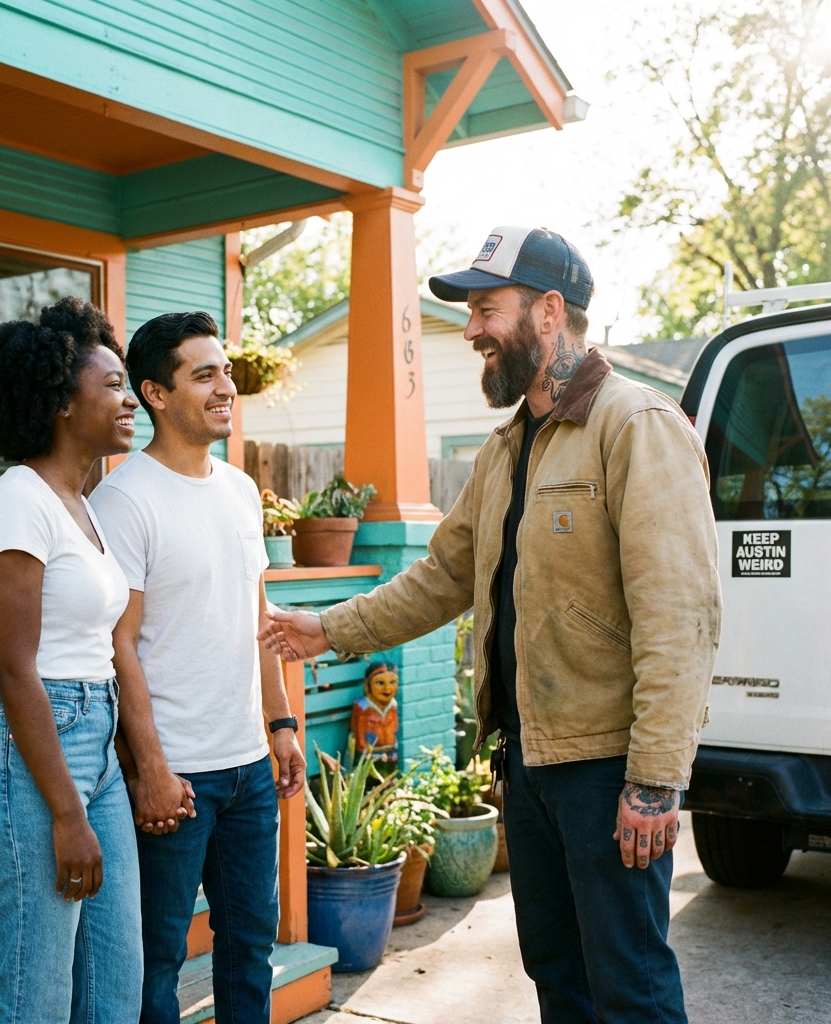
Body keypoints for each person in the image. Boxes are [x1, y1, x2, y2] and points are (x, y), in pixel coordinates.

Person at [258, 227, 722, 1024]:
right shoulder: (507, 447)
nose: (472, 329)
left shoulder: (635, 425)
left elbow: (679, 616)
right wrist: (326, 629)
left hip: (607, 766)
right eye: (470, 313)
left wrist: (653, 781)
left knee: (629, 983)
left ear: (549, 312)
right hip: (531, 760)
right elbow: (442, 576)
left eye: (485, 309)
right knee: (557, 973)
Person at [89, 311, 306, 1024]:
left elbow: (259, 618)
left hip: (248, 768)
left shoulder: (242, 490)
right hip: (175, 777)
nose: (227, 387)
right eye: (205, 374)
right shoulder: (123, 500)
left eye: (228, 371)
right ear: (154, 392)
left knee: (249, 946)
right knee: (156, 959)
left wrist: (280, 724)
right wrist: (149, 766)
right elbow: (118, 646)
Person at [0, 297, 143, 1023]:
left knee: (113, 986)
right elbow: (14, 667)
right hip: (29, 761)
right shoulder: (17, 502)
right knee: (35, 997)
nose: (130, 400)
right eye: (114, 385)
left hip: (90, 743)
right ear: (65, 402)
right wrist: (67, 810)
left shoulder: (81, 501)